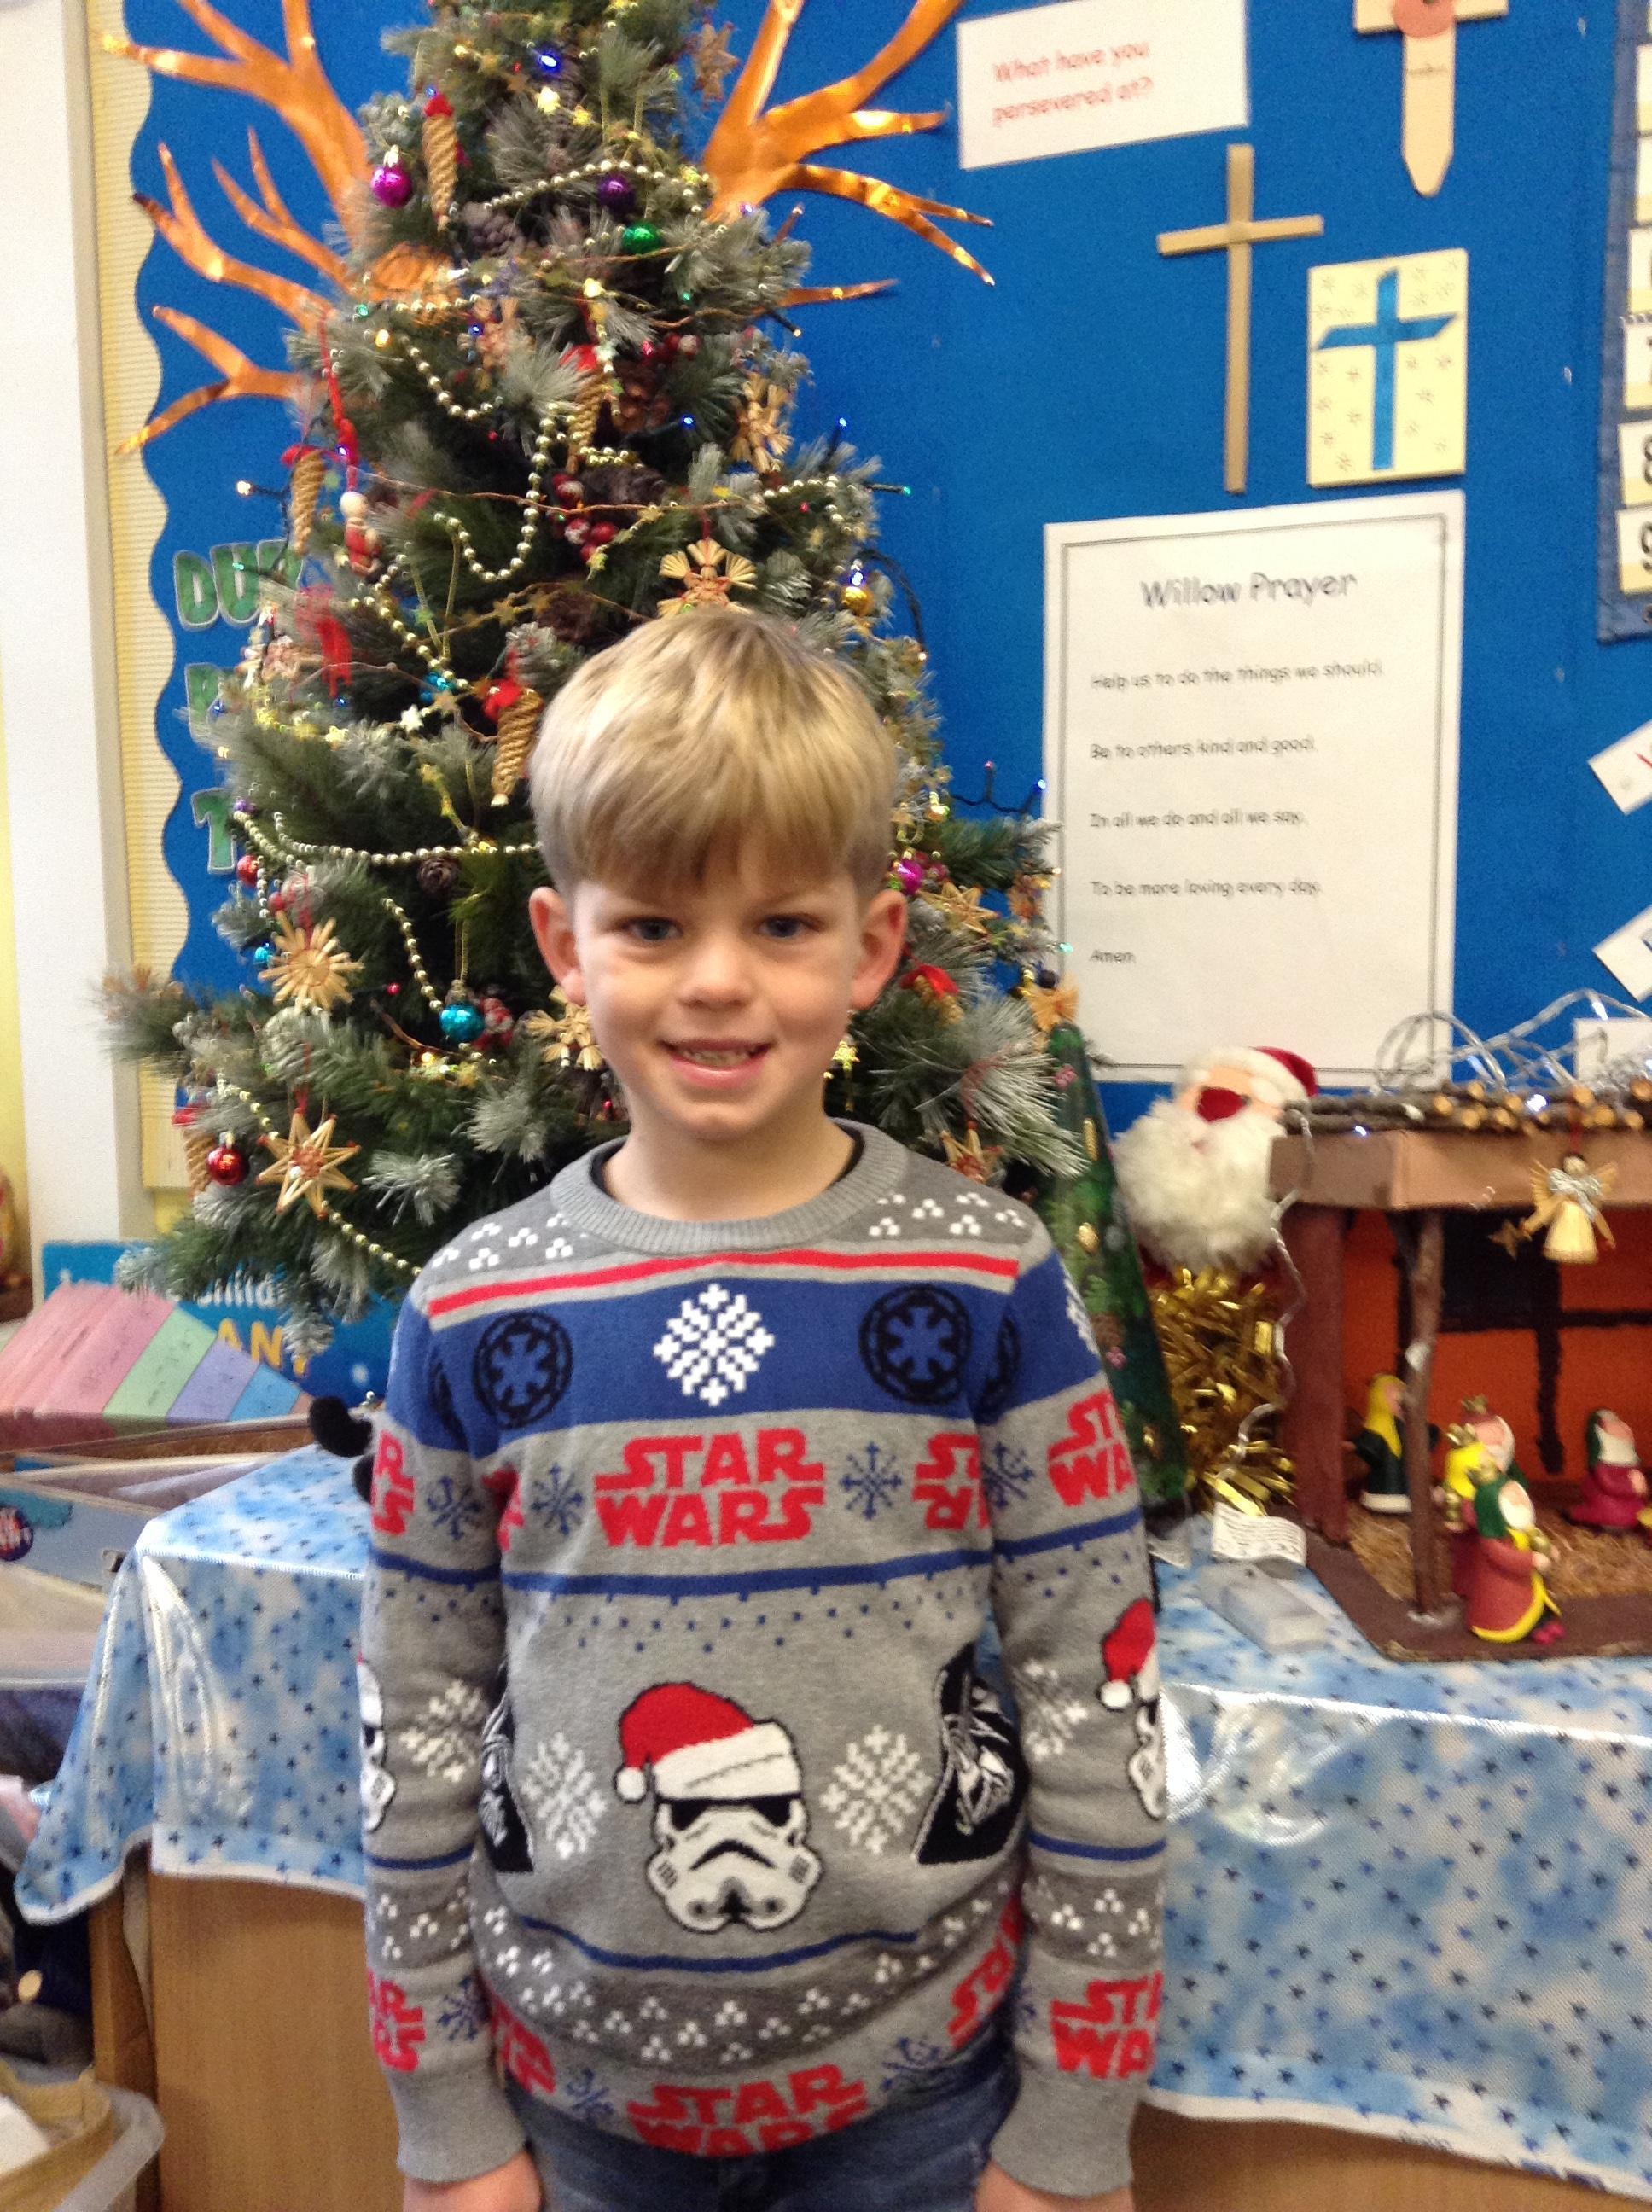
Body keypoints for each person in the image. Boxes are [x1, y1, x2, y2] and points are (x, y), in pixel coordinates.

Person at [359, 608, 1164, 2212]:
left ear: (870, 947)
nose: (718, 981)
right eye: (654, 925)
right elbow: (417, 1716)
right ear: (565, 945)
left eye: (784, 923)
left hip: (922, 2108)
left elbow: (1100, 1700)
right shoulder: (467, 1310)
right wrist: (442, 2112)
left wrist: (1078, 2124)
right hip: (573, 2112)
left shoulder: (988, 1281)